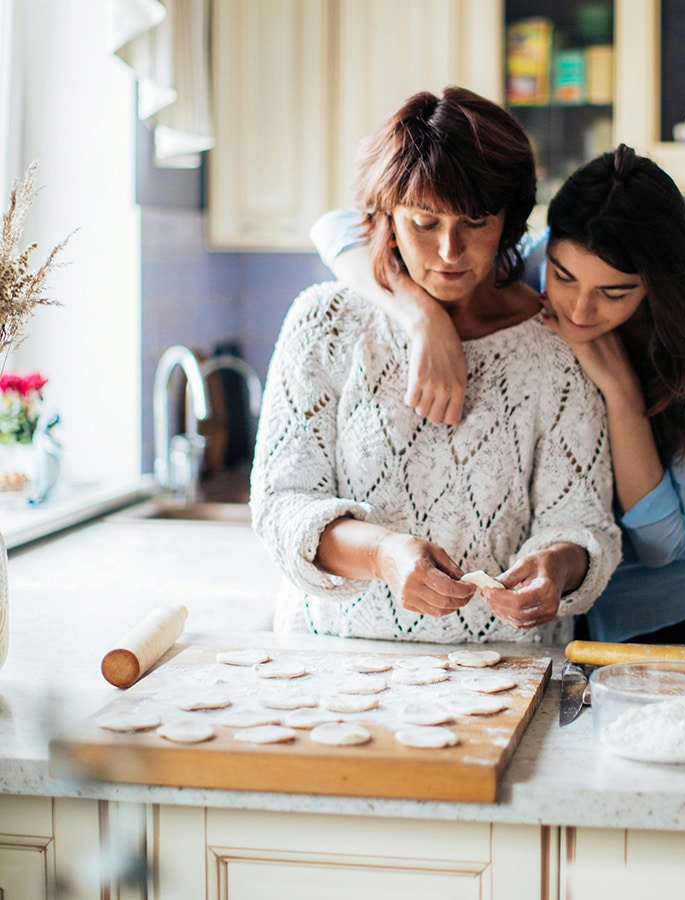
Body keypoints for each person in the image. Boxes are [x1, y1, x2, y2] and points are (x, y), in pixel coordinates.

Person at [310, 144, 685, 645]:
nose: (580, 309)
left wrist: (621, 393)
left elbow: (661, 543)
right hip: (550, 623)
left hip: (664, 612)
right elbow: (337, 228)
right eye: (563, 277)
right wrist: (422, 319)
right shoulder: (524, 267)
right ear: (548, 247)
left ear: (655, 285)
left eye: (614, 292)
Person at [251, 87, 621, 645]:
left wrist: (556, 567)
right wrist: (381, 554)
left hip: (508, 671)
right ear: (386, 216)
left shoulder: (556, 347)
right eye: (425, 222)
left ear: (510, 220)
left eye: (475, 221)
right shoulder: (325, 323)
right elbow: (281, 506)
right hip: (334, 667)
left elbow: (585, 522)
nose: (451, 251)